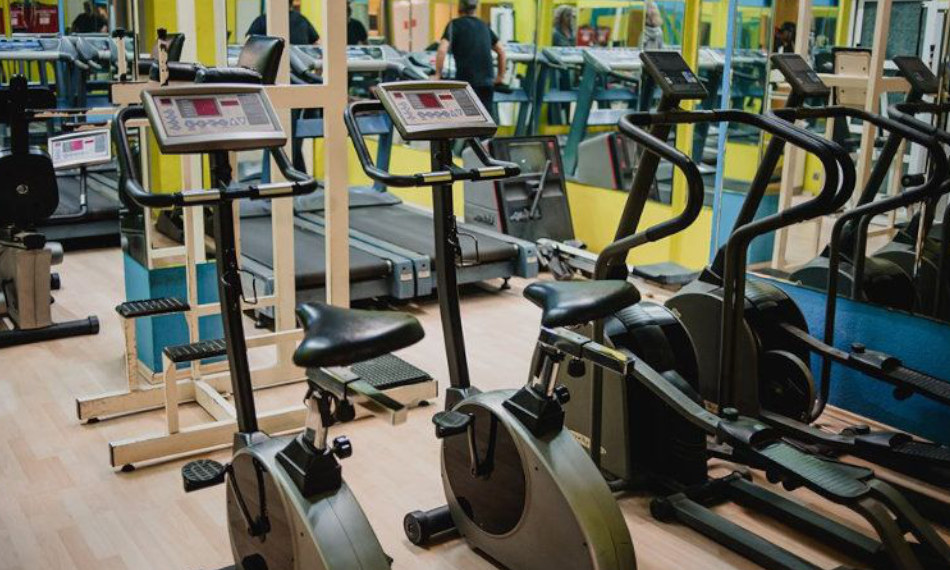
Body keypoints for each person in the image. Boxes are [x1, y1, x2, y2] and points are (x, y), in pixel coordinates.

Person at [434, 0, 506, 113]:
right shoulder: (484, 25)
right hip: (487, 83)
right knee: (486, 119)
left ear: (459, 8)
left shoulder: (454, 25)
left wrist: (437, 74)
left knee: (466, 119)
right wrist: (500, 77)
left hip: (466, 83)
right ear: (475, 8)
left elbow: (442, 50)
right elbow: (501, 51)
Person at [246, 0, 319, 46]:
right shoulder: (301, 19)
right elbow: (316, 42)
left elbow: (249, 42)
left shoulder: (263, 20)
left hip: (273, 64)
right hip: (300, 65)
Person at [638, 0, 664, 111]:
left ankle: (642, 111)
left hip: (645, 66)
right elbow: (661, 49)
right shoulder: (659, 32)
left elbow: (639, 50)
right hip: (655, 66)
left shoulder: (643, 32)